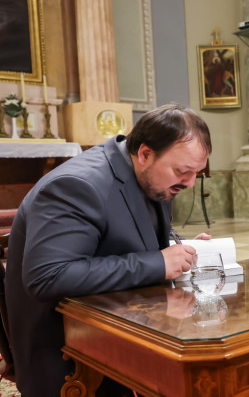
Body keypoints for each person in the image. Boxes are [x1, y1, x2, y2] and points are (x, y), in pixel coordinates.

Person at [6, 104, 211, 396]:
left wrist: (180, 248)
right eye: (183, 171)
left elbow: (122, 237)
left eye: (196, 173)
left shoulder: (153, 176)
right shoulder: (75, 186)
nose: (190, 182)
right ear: (144, 153)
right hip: (67, 352)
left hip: (121, 326)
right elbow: (47, 276)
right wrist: (157, 263)